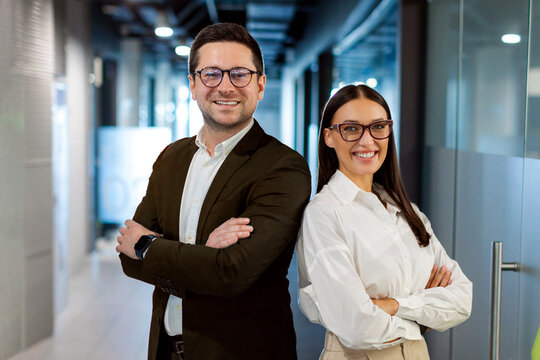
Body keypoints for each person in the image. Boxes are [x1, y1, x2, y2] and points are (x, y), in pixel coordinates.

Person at [116, 23, 310, 360]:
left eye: (239, 74)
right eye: (211, 74)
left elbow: (230, 272)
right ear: (192, 84)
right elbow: (127, 259)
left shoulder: (283, 167)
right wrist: (202, 256)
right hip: (167, 350)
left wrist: (150, 245)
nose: (225, 86)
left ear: (260, 85)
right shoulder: (171, 158)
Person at [296, 84, 472, 359]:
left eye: (378, 127)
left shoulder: (407, 212)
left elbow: (462, 300)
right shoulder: (325, 214)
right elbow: (357, 326)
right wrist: (423, 314)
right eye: (351, 129)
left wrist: (390, 305)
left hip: (417, 353)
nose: (367, 141)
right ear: (329, 137)